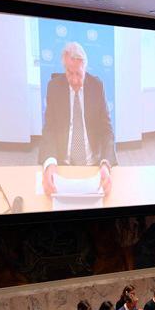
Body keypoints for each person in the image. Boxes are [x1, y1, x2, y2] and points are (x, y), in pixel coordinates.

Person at [39, 41, 116, 197]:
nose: (74, 80)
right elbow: (49, 129)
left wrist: (106, 164)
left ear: (85, 68)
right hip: (62, 165)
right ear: (64, 68)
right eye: (69, 73)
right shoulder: (54, 87)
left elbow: (106, 131)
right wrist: (50, 162)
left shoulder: (96, 86)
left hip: (93, 166)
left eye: (78, 74)